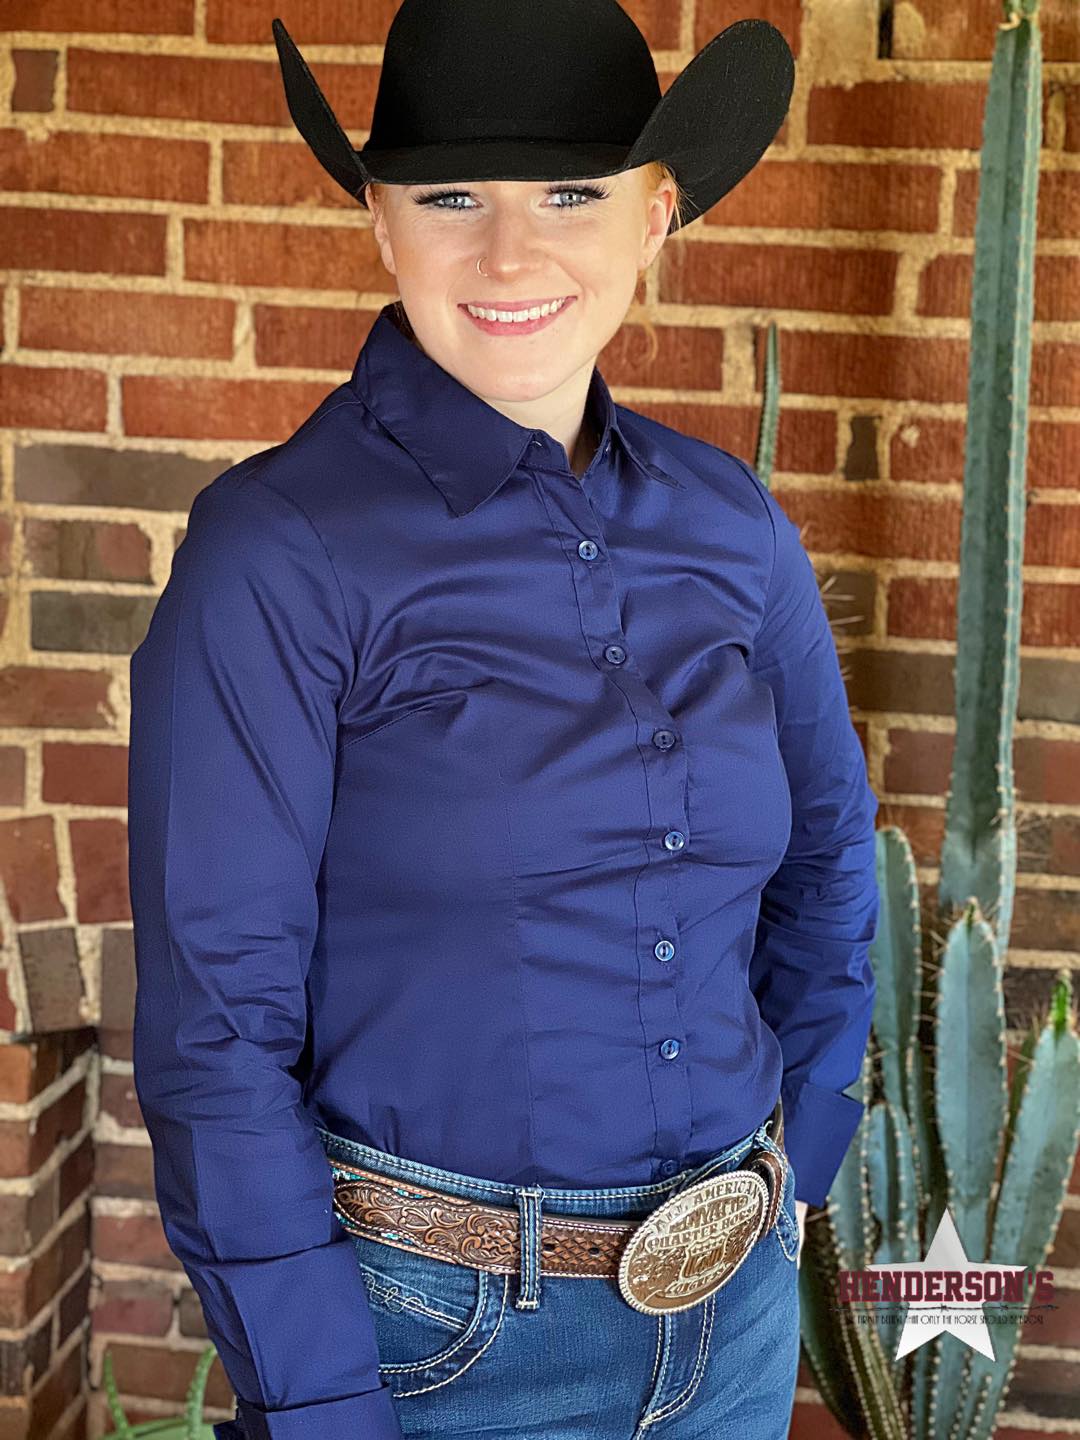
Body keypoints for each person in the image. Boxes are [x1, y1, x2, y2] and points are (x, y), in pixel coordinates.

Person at [127, 3, 880, 1438]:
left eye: (572, 196)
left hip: (733, 1320)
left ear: (658, 215)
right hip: (440, 1346)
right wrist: (320, 1405)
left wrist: (810, 1154)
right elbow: (217, 1034)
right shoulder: (277, 553)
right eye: (452, 198)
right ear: (379, 221)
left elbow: (832, 856)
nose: (512, 256)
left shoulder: (734, 526)